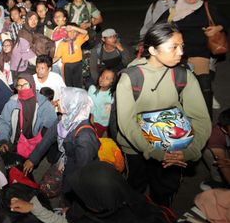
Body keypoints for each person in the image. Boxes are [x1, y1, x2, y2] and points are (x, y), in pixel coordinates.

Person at [116, 23, 212, 207]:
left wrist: (191, 150)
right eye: (173, 47)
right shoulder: (131, 78)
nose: (180, 52)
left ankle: (161, 220)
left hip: (176, 148)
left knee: (165, 191)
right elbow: (126, 122)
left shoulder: (184, 76)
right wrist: (153, 151)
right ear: (152, 49)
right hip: (135, 148)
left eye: (181, 46)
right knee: (135, 187)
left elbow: (201, 118)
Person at [11, 161, 179, 223]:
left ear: (94, 206)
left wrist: (35, 208)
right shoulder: (133, 199)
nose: (78, 198)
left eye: (84, 195)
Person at [24, 87, 100, 196]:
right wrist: (33, 159)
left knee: (64, 190)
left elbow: (81, 171)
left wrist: (73, 196)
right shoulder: (64, 118)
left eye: (62, 99)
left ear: (72, 105)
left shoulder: (85, 137)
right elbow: (48, 138)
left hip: (74, 167)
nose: (58, 102)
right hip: (63, 158)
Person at [172, 0, 229, 117]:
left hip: (200, 52)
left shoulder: (208, 7)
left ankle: (206, 120)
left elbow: (226, 22)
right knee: (179, 87)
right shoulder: (174, 10)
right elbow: (158, 25)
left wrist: (217, 28)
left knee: (204, 86)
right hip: (178, 53)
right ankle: (182, 117)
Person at [0, 73, 57, 157]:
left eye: (25, 85)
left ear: (32, 85)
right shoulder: (12, 103)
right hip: (15, 141)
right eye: (19, 86)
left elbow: (50, 128)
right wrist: (3, 140)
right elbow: (4, 122)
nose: (22, 89)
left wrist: (35, 156)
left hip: (36, 144)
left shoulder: (43, 104)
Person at [52, 23, 89, 88]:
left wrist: (73, 27)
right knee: (68, 84)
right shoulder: (62, 43)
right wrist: (48, 63)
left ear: (77, 32)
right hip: (67, 66)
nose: (72, 33)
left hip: (78, 64)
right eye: (70, 32)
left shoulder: (79, 39)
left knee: (78, 84)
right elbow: (57, 57)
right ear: (66, 32)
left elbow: (85, 32)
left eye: (74, 32)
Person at [201, 108, 230, 190]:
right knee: (211, 156)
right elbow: (223, 164)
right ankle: (217, 181)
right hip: (213, 150)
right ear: (224, 129)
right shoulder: (215, 138)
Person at [88, 69, 116, 137]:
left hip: (108, 122)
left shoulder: (113, 94)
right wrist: (91, 117)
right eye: (102, 76)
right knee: (96, 138)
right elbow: (89, 104)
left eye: (107, 78)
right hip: (96, 122)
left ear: (112, 82)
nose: (102, 79)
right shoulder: (92, 89)